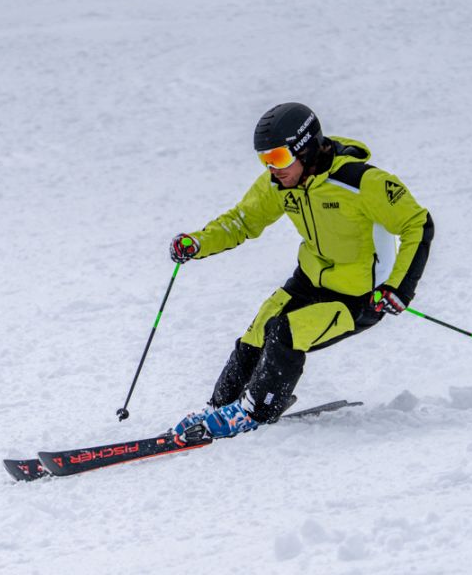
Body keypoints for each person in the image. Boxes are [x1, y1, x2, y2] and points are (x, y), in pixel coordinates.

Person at [168, 102, 434, 442]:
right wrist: (197, 243)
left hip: (361, 296)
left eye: (277, 158)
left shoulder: (361, 182)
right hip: (310, 280)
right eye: (264, 159)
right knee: (259, 329)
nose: (271, 169)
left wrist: (399, 287)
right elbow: (243, 220)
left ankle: (254, 412)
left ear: (305, 149)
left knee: (287, 332)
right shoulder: (280, 183)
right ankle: (221, 406)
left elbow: (417, 223)